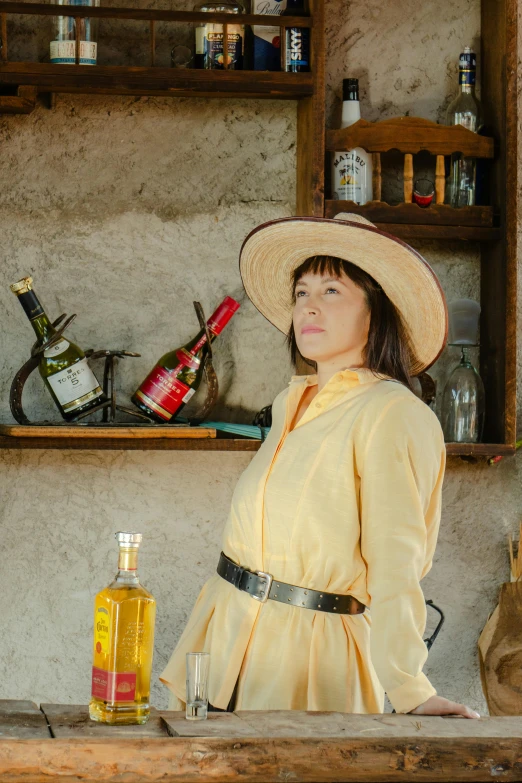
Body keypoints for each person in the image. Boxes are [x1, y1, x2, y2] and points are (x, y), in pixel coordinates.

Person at [160, 213, 480, 719]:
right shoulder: (291, 403)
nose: (308, 306)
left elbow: (396, 566)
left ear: (377, 312)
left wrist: (410, 688)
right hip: (222, 649)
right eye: (301, 292)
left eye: (331, 291)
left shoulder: (393, 414)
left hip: (310, 670)